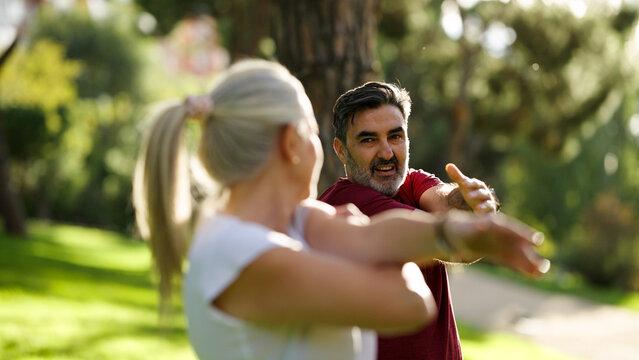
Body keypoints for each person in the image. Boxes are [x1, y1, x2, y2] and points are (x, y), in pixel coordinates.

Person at [132, 60, 549, 360]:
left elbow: (372, 235)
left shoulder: (288, 220)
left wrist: (457, 234)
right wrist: (386, 246)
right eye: (312, 131)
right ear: (290, 144)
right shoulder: (242, 253)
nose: (386, 152)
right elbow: (409, 301)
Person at [319, 81, 505, 359]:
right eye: (368, 140)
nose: (386, 153)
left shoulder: (410, 182)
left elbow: (445, 203)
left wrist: (473, 201)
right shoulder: (344, 204)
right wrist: (476, 225)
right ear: (341, 150)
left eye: (395, 137)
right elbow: (456, 244)